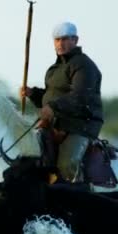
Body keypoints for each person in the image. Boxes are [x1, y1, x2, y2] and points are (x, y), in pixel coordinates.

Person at [21, 21, 103, 182]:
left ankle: (78, 199)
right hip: (54, 123)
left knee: (66, 165)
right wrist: (32, 94)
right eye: (57, 40)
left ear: (75, 40)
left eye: (65, 39)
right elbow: (50, 96)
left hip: (80, 125)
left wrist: (52, 107)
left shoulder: (84, 65)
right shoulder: (54, 69)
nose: (60, 43)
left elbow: (80, 97)